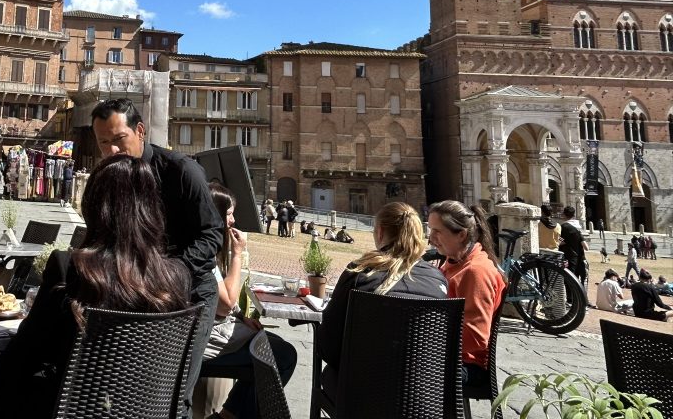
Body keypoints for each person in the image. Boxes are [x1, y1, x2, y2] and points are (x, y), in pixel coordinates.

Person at [0, 155, 192, 418]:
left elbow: (22, 354)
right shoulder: (177, 277)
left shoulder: (72, 268)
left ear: (94, 206)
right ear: (153, 208)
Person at [91, 98, 224, 410]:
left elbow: (212, 233)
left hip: (192, 294)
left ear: (139, 131)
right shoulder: (110, 176)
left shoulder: (182, 171)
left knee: (175, 393)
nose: (112, 151)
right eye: (103, 143)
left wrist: (172, 271)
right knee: (132, 390)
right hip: (141, 292)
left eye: (119, 139)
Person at [319, 203, 447, 398]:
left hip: (365, 395)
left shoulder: (360, 272)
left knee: (330, 374)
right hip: (423, 398)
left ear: (379, 232)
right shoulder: (438, 280)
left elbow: (329, 346)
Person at [204, 183, 297, 419]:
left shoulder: (201, 247)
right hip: (202, 343)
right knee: (281, 355)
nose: (233, 220)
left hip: (206, 333)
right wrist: (237, 255)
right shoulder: (202, 252)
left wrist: (240, 317)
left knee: (271, 345)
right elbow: (226, 302)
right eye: (228, 214)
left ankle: (227, 415)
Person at [428, 201, 506, 389]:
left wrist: (428, 341)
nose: (430, 238)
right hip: (453, 357)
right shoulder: (453, 262)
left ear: (461, 234)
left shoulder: (475, 272)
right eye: (430, 230)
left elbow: (476, 337)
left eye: (437, 231)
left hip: (467, 365)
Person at [559, 205, 588, 288]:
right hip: (580, 258)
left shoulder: (564, 227)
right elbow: (586, 247)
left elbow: (560, 242)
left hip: (568, 257)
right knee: (579, 281)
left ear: (564, 215)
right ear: (574, 215)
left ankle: (570, 299)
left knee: (569, 280)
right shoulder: (579, 228)